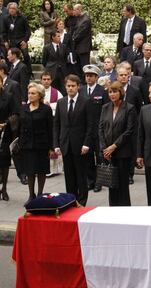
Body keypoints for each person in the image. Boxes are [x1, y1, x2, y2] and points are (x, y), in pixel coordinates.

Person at [54, 74, 93, 206]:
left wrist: (87, 143)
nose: (70, 88)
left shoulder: (86, 101)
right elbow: (57, 125)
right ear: (65, 87)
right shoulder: (61, 102)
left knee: (81, 176)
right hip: (65, 144)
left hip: (80, 145)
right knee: (69, 176)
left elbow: (90, 125)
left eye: (73, 86)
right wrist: (56, 144)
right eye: (68, 86)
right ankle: (71, 200)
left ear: (78, 86)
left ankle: (81, 202)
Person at [99, 81, 137, 206]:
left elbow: (129, 130)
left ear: (121, 92)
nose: (112, 94)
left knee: (122, 185)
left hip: (122, 152)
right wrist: (104, 148)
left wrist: (114, 146)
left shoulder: (129, 108)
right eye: (110, 92)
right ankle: (113, 209)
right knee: (111, 184)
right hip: (108, 153)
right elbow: (101, 128)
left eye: (115, 91)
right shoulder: (105, 107)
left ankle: (125, 211)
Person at [19, 83, 53, 202]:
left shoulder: (46, 109)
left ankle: (40, 194)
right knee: (30, 171)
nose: (30, 95)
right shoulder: (23, 108)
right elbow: (20, 126)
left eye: (33, 93)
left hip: (41, 145)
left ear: (40, 95)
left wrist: (51, 147)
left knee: (41, 170)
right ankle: (31, 195)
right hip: (27, 145)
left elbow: (50, 128)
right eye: (29, 93)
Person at [79, 64, 108, 193]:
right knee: (88, 157)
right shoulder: (81, 90)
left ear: (96, 77)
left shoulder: (102, 91)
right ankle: (90, 180)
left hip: (99, 128)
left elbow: (106, 109)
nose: (89, 78)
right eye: (87, 76)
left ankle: (99, 182)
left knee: (100, 156)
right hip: (86, 129)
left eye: (91, 76)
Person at [0, 79, 18, 201]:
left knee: (5, 162)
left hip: (4, 133)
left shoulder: (9, 96)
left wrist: (6, 123)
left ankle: (4, 188)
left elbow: (16, 114)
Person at [72, 4, 92, 74]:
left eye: (74, 10)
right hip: (78, 47)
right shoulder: (79, 18)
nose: (73, 12)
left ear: (79, 9)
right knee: (78, 67)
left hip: (84, 48)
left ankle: (85, 83)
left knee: (85, 67)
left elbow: (80, 33)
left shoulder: (85, 19)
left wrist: (73, 38)